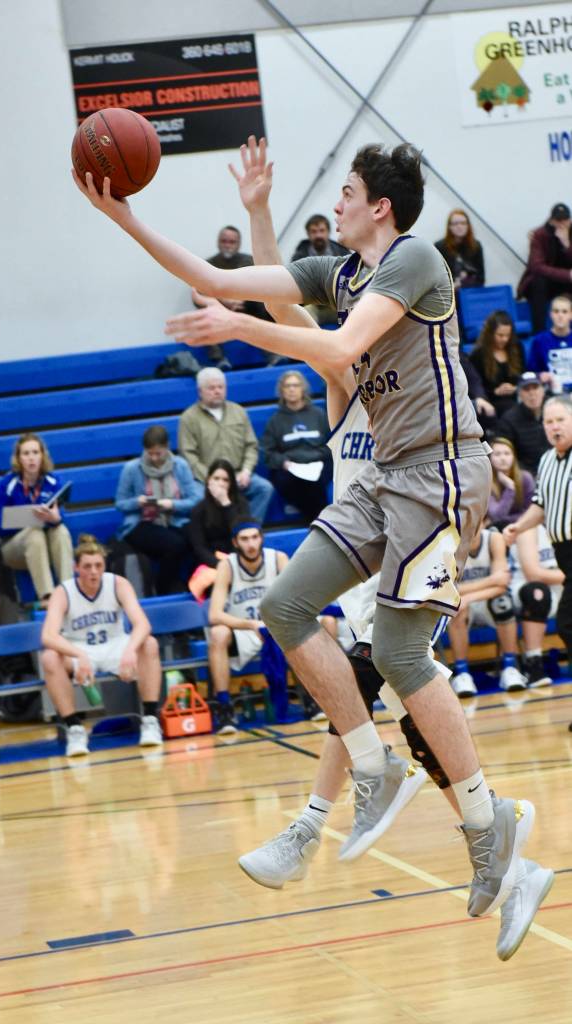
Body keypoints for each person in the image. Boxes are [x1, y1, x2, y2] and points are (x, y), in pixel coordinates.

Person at [74, 136, 544, 944]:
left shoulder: (415, 259)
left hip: (442, 472)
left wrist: (236, 326)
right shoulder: (342, 272)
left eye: (348, 191)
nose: (336, 202)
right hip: (386, 478)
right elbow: (221, 279)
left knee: (397, 654)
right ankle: (373, 765)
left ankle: (482, 826)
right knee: (285, 605)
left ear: (381, 207)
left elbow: (334, 347)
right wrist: (124, 217)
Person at [230, 147, 551, 959]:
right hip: (366, 526)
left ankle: (312, 826)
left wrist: (238, 318)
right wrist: (258, 217)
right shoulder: (343, 358)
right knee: (382, 695)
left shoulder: (368, 341)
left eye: (347, 194)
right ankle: (499, 846)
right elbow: (292, 311)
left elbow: (320, 336)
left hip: (419, 515)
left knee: (380, 675)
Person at [40, 534, 163, 756]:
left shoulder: (118, 584)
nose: (93, 572)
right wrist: (79, 655)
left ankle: (150, 720)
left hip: (116, 644)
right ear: (76, 568)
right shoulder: (63, 592)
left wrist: (130, 650)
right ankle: (75, 729)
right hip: (79, 648)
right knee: (49, 657)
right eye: (87, 566)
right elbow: (48, 636)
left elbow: (143, 624)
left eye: (98, 565)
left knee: (150, 644)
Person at [504, 396, 572, 673]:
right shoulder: (546, 461)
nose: (554, 426)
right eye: (549, 421)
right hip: (563, 554)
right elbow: (540, 506)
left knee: (567, 623)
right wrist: (518, 527)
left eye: (560, 420)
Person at [207, 520, 288, 733]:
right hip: (243, 630)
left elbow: (295, 599)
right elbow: (214, 614)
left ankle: (312, 700)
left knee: (320, 623)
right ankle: (224, 707)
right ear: (235, 542)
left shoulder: (278, 558)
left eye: (254, 537)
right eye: (244, 539)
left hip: (277, 628)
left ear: (261, 538)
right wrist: (250, 624)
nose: (251, 544)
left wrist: (274, 623)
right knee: (217, 633)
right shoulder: (227, 565)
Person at [178, 367, 274, 523]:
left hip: (238, 474)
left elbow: (251, 446)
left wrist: (246, 471)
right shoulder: (188, 418)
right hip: (205, 479)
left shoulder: (239, 411)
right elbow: (188, 456)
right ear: (200, 391)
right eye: (211, 388)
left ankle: (249, 530)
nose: (217, 391)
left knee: (264, 488)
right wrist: (212, 479)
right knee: (197, 498)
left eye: (220, 387)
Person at [115, 425, 201, 594]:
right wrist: (137, 502)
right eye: (150, 453)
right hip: (142, 522)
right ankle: (163, 589)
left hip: (175, 518)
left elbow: (194, 499)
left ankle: (195, 586)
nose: (154, 458)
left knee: (198, 539)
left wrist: (172, 505)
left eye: (158, 453)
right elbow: (120, 503)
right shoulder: (132, 468)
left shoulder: (181, 465)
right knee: (175, 545)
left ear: (167, 447)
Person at [447, 520, 526, 697]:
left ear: (484, 522)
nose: (471, 526)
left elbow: (502, 585)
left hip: (483, 600)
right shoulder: (450, 544)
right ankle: (462, 674)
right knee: (456, 609)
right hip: (461, 604)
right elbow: (449, 590)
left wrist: (468, 596)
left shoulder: (494, 539)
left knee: (503, 602)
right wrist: (490, 580)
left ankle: (510, 668)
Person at [0, 433, 74, 605]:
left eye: (35, 452)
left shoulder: (53, 481)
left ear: (42, 455)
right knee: (34, 533)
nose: (31, 458)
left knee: (61, 531)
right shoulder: (7, 484)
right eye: (26, 453)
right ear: (18, 458)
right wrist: (28, 518)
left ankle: (68, 592)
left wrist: (55, 518)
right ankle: (47, 597)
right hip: (14, 548)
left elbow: (61, 515)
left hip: (46, 543)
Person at [193, 224, 272, 368]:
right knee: (203, 313)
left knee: (266, 304)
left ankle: (273, 353)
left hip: (247, 307)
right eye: (224, 241)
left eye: (232, 242)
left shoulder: (249, 261)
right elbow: (198, 292)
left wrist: (240, 299)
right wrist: (225, 301)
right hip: (218, 309)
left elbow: (259, 284)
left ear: (238, 244)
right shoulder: (207, 264)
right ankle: (219, 360)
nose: (227, 245)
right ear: (218, 242)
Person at [261, 370, 331, 523]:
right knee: (289, 480)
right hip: (290, 468)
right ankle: (320, 520)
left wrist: (320, 456)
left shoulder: (319, 415)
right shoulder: (275, 421)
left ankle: (314, 519)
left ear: (303, 389)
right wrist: (284, 463)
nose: (292, 389)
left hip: (318, 463)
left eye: (295, 385)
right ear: (281, 391)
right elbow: (268, 453)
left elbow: (332, 443)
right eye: (287, 386)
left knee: (318, 480)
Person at [509, 524, 563, 688]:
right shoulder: (528, 529)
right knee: (537, 594)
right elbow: (533, 574)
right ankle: (533, 664)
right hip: (526, 588)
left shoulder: (565, 527)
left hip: (560, 585)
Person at [517, 203, 572, 334]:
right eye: (558, 220)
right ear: (551, 220)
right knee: (539, 281)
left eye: (565, 220)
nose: (561, 224)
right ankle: (539, 332)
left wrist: (566, 244)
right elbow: (537, 267)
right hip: (545, 283)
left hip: (565, 282)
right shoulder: (539, 234)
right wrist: (567, 275)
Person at [186, 459, 250, 570]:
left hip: (238, 560)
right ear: (208, 481)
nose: (221, 483)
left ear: (231, 483)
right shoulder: (198, 510)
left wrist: (226, 503)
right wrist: (220, 565)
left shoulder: (241, 504)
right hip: (211, 563)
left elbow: (243, 533)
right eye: (216, 478)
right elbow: (199, 548)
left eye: (226, 480)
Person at [291, 214, 348, 325]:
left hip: (336, 303)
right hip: (312, 303)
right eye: (314, 232)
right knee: (303, 312)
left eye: (322, 231)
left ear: (328, 232)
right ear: (308, 234)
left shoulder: (343, 252)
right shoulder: (299, 257)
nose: (318, 235)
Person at [468, 311, 525, 420]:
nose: (505, 339)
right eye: (500, 335)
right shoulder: (478, 355)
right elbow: (476, 386)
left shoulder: (517, 347)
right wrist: (495, 391)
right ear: (490, 334)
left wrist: (516, 388)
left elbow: (523, 375)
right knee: (513, 409)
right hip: (493, 401)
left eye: (508, 335)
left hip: (517, 396)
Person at [497, 373, 549, 476]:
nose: (532, 393)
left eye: (535, 387)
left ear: (543, 390)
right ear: (519, 394)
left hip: (556, 469)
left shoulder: (554, 412)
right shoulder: (509, 419)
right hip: (526, 475)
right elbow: (506, 453)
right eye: (526, 389)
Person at [527, 292, 572, 391]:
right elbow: (531, 373)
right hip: (551, 393)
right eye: (556, 311)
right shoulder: (539, 341)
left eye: (564, 312)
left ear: (571, 315)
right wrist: (540, 375)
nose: (560, 315)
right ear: (551, 314)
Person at [487, 437, 534, 530]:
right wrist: (510, 488)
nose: (503, 458)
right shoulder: (487, 482)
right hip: (496, 529)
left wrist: (507, 520)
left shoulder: (525, 478)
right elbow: (496, 516)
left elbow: (530, 512)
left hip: (523, 525)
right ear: (490, 458)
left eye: (507, 453)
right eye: (497, 454)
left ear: (513, 456)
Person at [434, 209, 485, 290]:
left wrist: (463, 283)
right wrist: (453, 286)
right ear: (449, 227)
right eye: (455, 224)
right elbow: (437, 277)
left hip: (470, 292)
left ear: (468, 226)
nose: (459, 226)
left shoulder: (476, 246)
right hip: (448, 292)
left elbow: (481, 279)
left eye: (463, 223)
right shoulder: (440, 246)